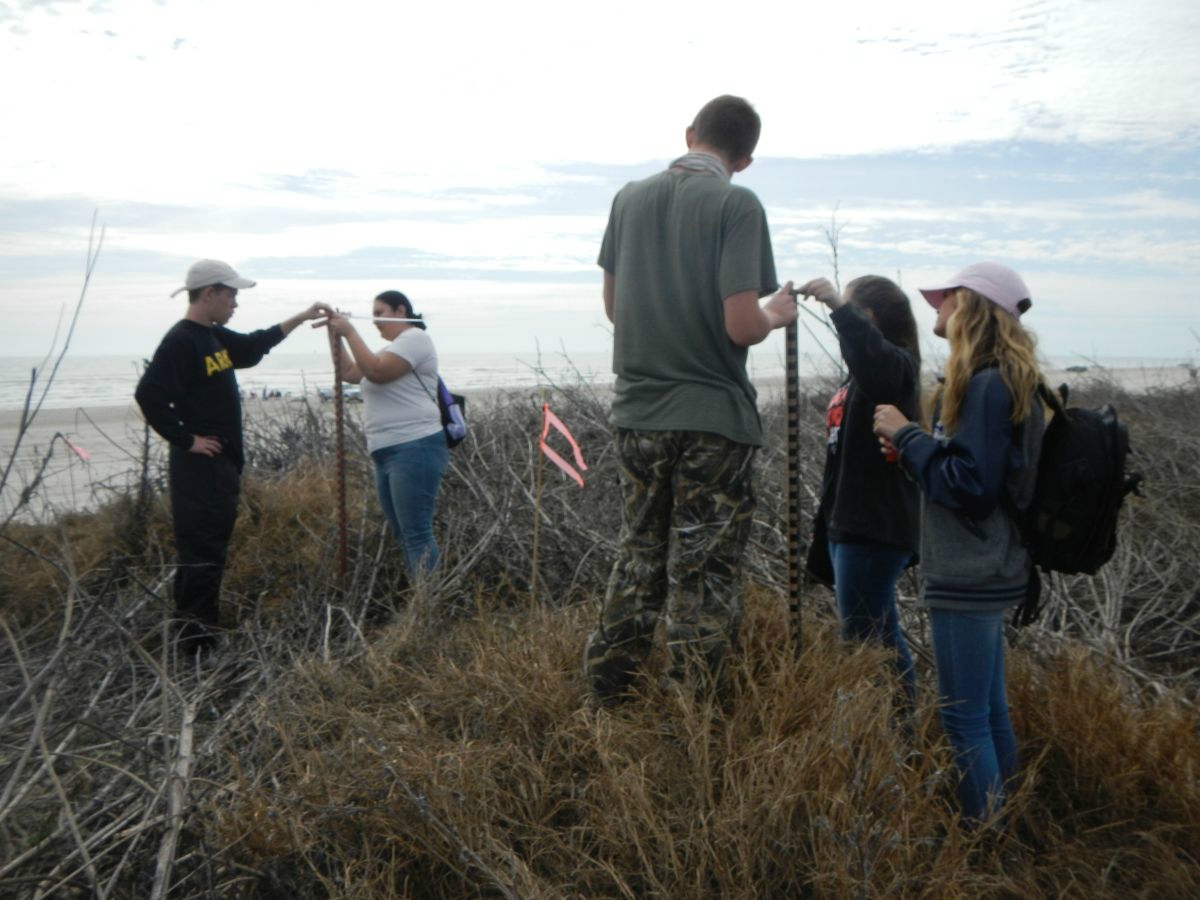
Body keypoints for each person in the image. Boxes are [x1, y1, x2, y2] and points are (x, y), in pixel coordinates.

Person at [583, 95, 798, 702]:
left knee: (638, 556)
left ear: (689, 133)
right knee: (702, 574)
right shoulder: (737, 203)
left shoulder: (628, 199)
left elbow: (614, 311)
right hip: (712, 421)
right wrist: (776, 313)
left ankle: (608, 696)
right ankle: (691, 716)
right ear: (746, 159)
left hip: (638, 416)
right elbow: (740, 326)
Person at [872, 261, 1045, 824]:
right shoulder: (1002, 379)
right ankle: (1010, 827)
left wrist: (908, 434)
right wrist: (916, 455)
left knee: (963, 717)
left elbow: (970, 489)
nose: (936, 308)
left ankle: (987, 843)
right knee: (990, 711)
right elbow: (970, 475)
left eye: (945, 298)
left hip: (970, 568)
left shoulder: (987, 384)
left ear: (970, 305)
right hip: (989, 564)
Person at [135, 259, 328, 656]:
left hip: (221, 467)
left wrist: (303, 317)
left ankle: (197, 637)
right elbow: (149, 394)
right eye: (232, 294)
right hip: (198, 469)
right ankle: (197, 648)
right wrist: (187, 440)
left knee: (211, 552)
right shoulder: (182, 340)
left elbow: (256, 344)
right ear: (210, 293)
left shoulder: (215, 337)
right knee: (201, 553)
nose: (235, 303)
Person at [798, 275, 921, 705]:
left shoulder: (896, 368)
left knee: (865, 644)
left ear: (866, 318)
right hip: (847, 526)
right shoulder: (862, 376)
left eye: (850, 312)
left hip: (872, 529)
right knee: (877, 636)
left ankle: (891, 738)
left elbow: (875, 361)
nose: (840, 322)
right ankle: (896, 735)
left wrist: (836, 304)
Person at [324, 291, 449, 579]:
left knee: (416, 533)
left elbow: (377, 372)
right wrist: (336, 333)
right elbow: (349, 372)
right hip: (385, 448)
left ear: (400, 310)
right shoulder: (391, 349)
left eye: (380, 313)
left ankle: (429, 605)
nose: (375, 321)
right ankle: (422, 598)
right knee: (404, 534)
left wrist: (351, 331)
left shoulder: (415, 339)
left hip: (414, 444)